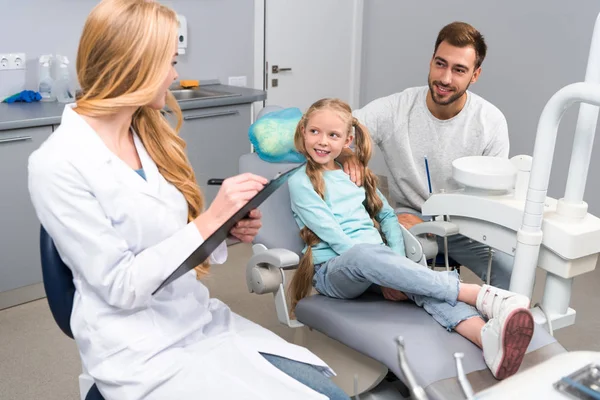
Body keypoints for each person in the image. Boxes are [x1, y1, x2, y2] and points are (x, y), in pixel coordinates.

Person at [27, 1, 349, 399]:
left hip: (199, 321)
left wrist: (225, 230)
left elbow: (172, 238)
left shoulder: (147, 136)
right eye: (169, 62)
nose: (175, 75)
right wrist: (209, 222)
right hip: (138, 351)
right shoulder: (57, 164)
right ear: (134, 64)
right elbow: (120, 286)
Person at [287, 98, 534, 380]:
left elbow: (389, 218)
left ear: (348, 140)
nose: (322, 141)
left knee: (421, 286)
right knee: (365, 254)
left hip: (375, 265)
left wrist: (398, 265)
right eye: (315, 132)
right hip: (334, 271)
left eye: (333, 135)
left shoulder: (354, 175)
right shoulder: (300, 182)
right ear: (303, 130)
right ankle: (479, 295)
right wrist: (387, 276)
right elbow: (335, 237)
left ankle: (485, 339)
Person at [342, 21, 513, 289]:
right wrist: (346, 154)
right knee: (396, 285)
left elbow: (491, 204)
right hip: (410, 217)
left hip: (465, 227)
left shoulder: (490, 122)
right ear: (431, 61)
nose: (445, 78)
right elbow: (337, 128)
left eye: (459, 70)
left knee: (512, 274)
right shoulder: (397, 108)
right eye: (440, 64)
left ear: (475, 74)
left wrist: (437, 223)